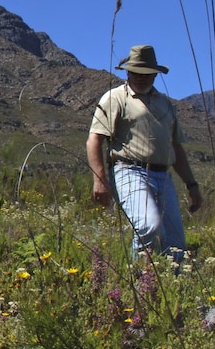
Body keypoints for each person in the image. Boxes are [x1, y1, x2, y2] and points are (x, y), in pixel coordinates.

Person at [86, 45, 202, 263]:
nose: (141, 78)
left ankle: (171, 288)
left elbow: (176, 147)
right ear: (128, 72)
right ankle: (141, 283)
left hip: (163, 176)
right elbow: (94, 140)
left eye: (146, 73)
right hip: (129, 171)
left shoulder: (165, 104)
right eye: (136, 72)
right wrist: (99, 180)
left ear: (155, 75)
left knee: (176, 242)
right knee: (148, 225)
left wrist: (192, 185)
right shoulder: (115, 98)